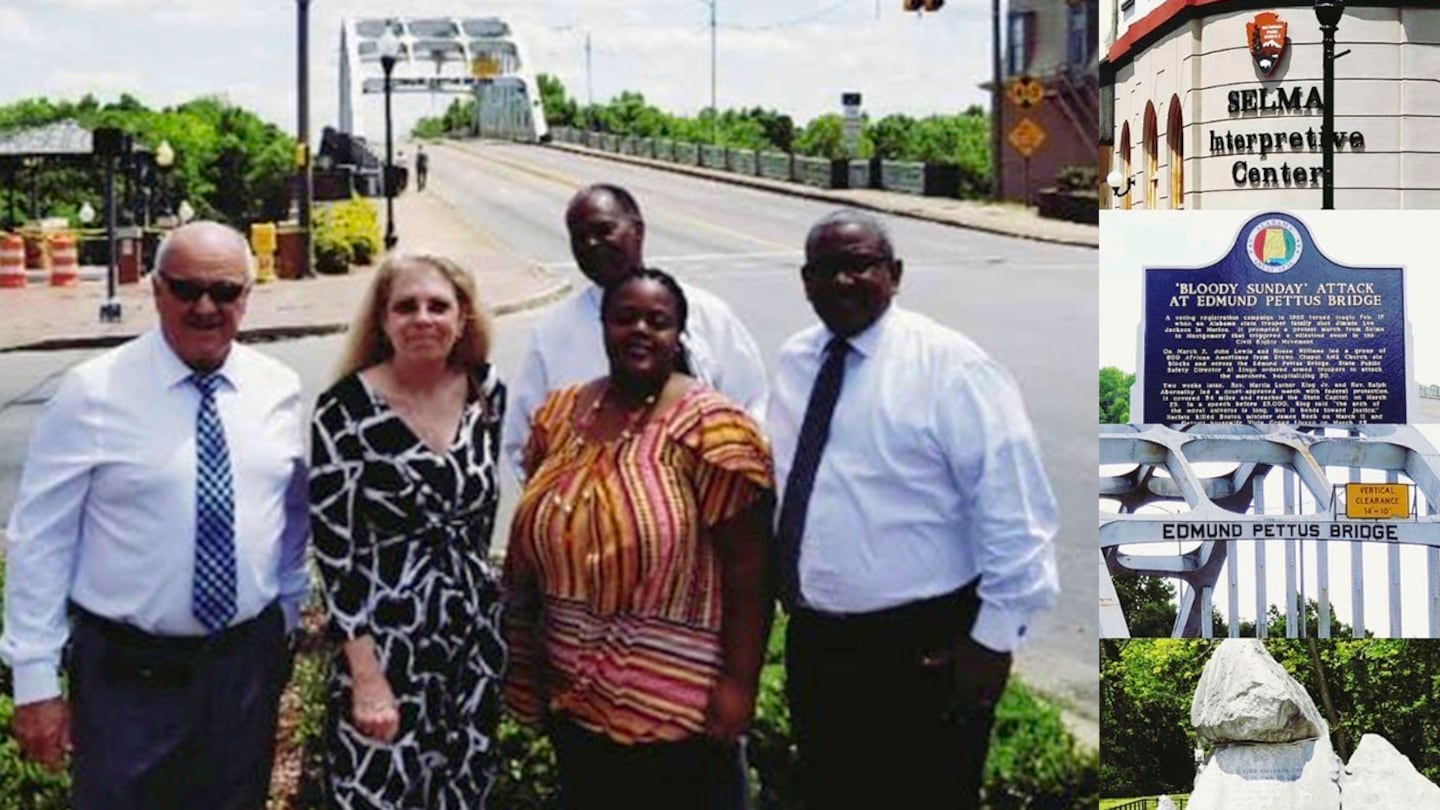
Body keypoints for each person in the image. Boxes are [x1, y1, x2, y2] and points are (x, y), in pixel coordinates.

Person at [0, 222, 308, 809]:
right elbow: (41, 539)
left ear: (248, 295)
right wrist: (35, 682)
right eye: (186, 288)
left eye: (224, 291)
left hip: (242, 672)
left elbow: (290, 516)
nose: (204, 306)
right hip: (128, 678)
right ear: (156, 288)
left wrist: (286, 616)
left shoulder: (279, 389)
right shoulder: (92, 391)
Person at [769, 210, 1059, 809]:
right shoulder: (797, 363)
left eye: (859, 265)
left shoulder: (951, 367)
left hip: (921, 648)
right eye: (826, 269)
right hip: (819, 647)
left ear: (894, 274)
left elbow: (1017, 516)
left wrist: (992, 641)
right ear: (805, 282)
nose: (842, 281)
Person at [503, 268, 773, 810]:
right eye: (625, 318)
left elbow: (749, 568)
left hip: (678, 713)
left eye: (658, 321)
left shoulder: (712, 429)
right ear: (602, 327)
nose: (640, 331)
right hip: (575, 700)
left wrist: (739, 685)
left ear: (680, 335)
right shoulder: (560, 416)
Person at [309, 254, 507, 808]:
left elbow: (480, 522)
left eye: (438, 306)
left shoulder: (486, 391)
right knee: (378, 791)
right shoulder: (343, 411)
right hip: (386, 643)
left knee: (464, 790)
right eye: (406, 307)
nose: (423, 318)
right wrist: (365, 675)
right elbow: (334, 551)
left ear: (463, 317)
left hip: (471, 643)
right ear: (383, 321)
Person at [502, 183, 767, 481]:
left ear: (638, 231)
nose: (591, 244)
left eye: (603, 230)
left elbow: (751, 410)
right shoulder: (552, 333)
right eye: (579, 237)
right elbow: (524, 442)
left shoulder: (707, 314)